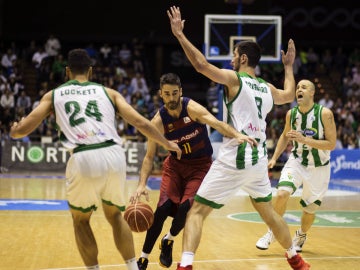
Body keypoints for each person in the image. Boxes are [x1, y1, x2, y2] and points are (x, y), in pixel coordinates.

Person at [9, 48, 182, 270]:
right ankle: (132, 267)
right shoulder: (110, 93)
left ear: (67, 72)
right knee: (115, 216)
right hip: (114, 155)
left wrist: (14, 130)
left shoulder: (53, 95)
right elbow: (141, 123)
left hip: (83, 156)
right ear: (90, 71)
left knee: (81, 220)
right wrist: (167, 143)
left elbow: (24, 129)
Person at [167, 6, 310, 270]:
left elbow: (200, 65)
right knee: (268, 213)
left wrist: (179, 35)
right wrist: (288, 67)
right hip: (258, 159)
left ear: (243, 59)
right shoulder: (267, 88)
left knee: (197, 211)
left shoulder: (235, 79)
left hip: (236, 155)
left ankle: (185, 266)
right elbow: (290, 95)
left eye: (234, 55)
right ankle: (295, 258)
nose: (231, 59)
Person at [130, 73, 256, 270]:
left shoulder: (192, 109)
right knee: (162, 209)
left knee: (186, 210)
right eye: (167, 94)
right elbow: (148, 157)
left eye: (174, 93)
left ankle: (169, 239)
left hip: (200, 166)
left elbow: (217, 123)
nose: (171, 98)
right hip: (175, 167)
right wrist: (141, 185)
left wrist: (237, 134)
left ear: (180, 92)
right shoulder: (158, 121)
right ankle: (143, 258)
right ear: (160, 95)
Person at [256, 79, 336, 252]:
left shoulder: (325, 114)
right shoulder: (291, 114)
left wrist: (304, 139)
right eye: (298, 87)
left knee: (309, 210)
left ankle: (301, 234)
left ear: (312, 93)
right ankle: (272, 232)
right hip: (297, 161)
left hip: (319, 167)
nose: (299, 89)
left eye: (304, 87)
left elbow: (331, 144)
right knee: (282, 193)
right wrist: (274, 157)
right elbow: (285, 136)